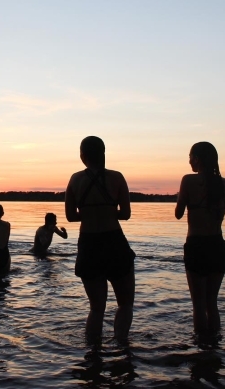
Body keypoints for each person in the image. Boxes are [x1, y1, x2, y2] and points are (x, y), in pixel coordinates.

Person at [65, 136, 135, 343]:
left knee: (96, 308)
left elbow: (70, 217)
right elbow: (126, 214)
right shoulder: (117, 177)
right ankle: (122, 346)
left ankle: (93, 354)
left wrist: (88, 213)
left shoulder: (75, 179)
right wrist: (107, 211)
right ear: (103, 153)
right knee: (125, 304)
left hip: (88, 244)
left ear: (83, 155)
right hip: (114, 242)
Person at [175, 141, 225, 339]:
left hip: (197, 246)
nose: (189, 162)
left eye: (190, 158)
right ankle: (215, 346)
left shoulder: (188, 180)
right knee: (211, 304)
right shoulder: (224, 184)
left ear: (197, 159)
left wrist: (183, 197)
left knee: (198, 305)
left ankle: (201, 349)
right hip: (217, 245)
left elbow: (178, 214)